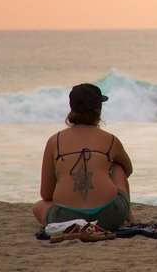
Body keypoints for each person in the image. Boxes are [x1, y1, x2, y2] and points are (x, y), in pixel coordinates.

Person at [32, 83, 135, 231]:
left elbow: (46, 194)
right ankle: (129, 217)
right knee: (119, 166)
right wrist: (105, 167)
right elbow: (128, 170)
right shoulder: (111, 140)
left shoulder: (55, 141)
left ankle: (71, 221)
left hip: (67, 217)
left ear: (72, 109)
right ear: (98, 110)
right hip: (109, 214)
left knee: (38, 206)